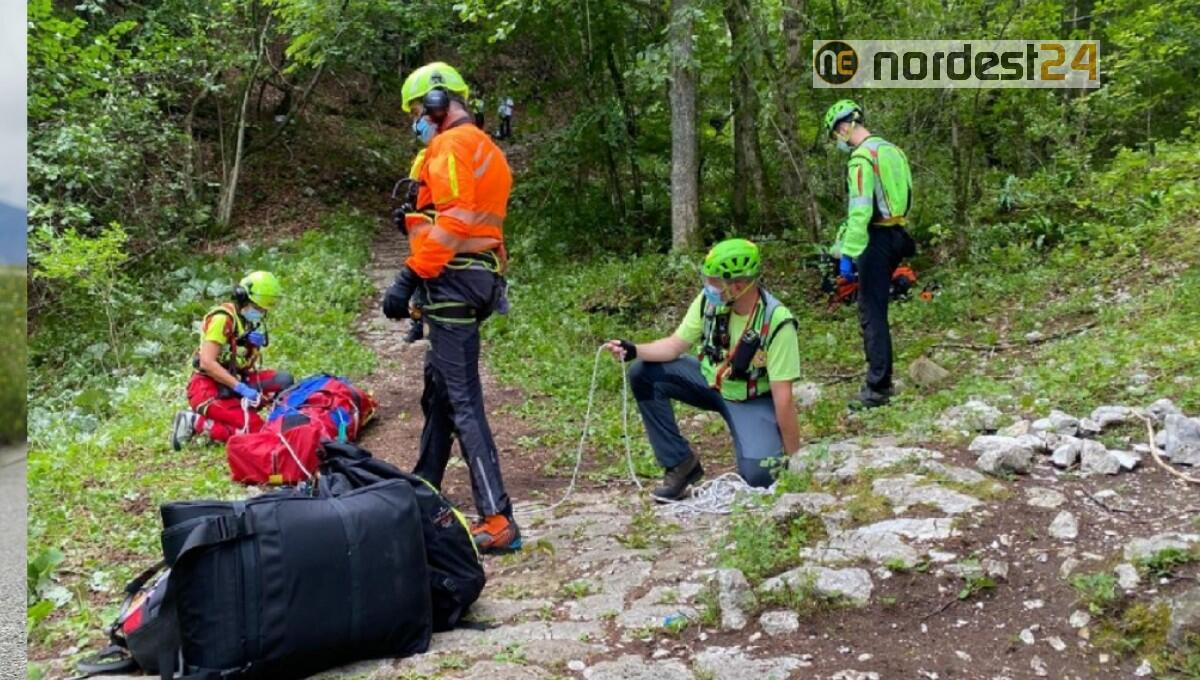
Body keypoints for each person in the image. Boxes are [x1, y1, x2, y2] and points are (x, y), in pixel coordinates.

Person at [384, 62, 520, 553]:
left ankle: (497, 518)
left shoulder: (449, 146)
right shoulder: (487, 149)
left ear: (439, 105)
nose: (416, 122)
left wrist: (408, 276)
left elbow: (455, 221)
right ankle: (424, 484)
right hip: (478, 278)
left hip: (453, 281)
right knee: (439, 386)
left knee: (462, 399)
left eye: (419, 111)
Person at [605, 239, 802, 500]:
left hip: (749, 399)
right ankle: (680, 464)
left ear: (739, 286)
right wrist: (634, 350)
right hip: (709, 382)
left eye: (715, 282)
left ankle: (762, 452)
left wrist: (798, 461)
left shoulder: (777, 323)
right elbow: (674, 346)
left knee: (762, 476)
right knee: (644, 373)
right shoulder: (708, 302)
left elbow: (783, 397)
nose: (708, 287)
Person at [824, 99, 916, 409]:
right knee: (876, 306)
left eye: (836, 132)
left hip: (874, 239)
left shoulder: (861, 158)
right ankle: (881, 379)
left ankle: (877, 389)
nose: (838, 138)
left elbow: (860, 210)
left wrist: (848, 253)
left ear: (845, 126)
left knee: (871, 311)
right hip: (898, 232)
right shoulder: (892, 150)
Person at [171, 271, 294, 449]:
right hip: (208, 388)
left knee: (284, 381)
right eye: (258, 308)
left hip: (234, 380)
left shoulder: (246, 320)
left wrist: (250, 344)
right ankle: (195, 422)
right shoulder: (222, 319)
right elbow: (207, 362)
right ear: (243, 299)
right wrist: (241, 388)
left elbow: (241, 360)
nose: (261, 313)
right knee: (257, 432)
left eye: (263, 309)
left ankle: (250, 417)